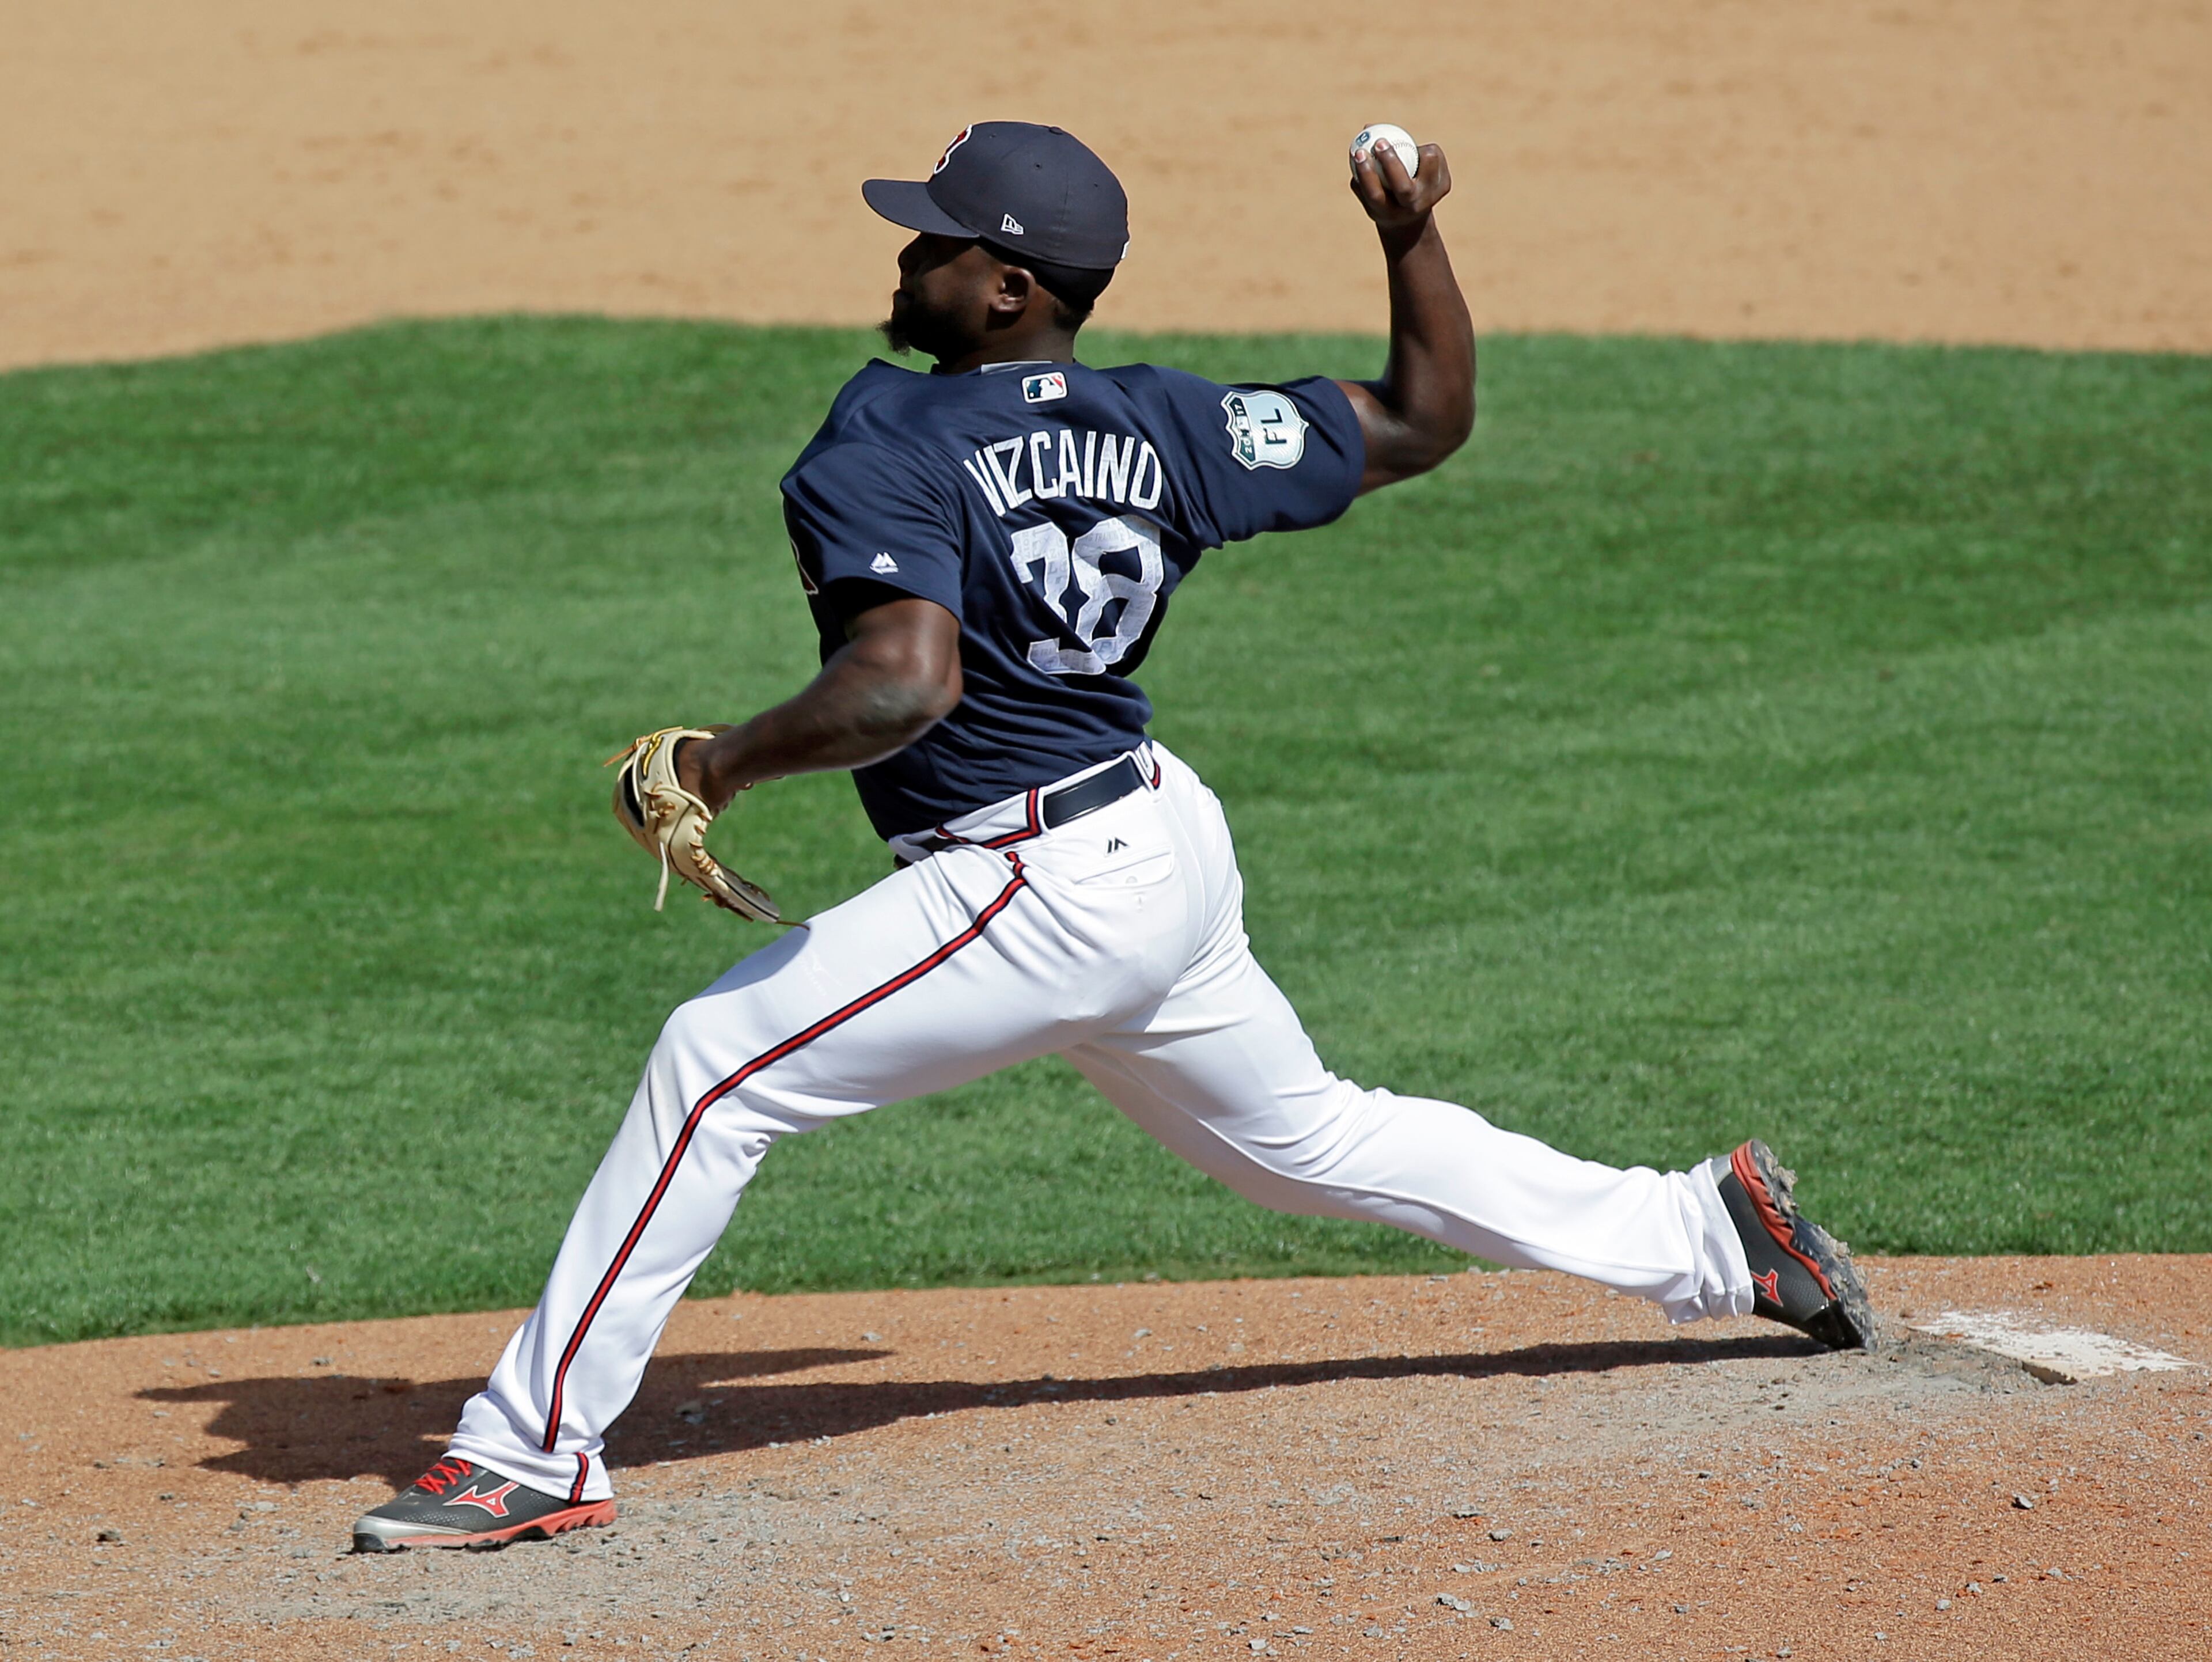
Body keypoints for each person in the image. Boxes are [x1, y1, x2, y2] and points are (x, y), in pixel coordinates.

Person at [352, 121, 1873, 1553]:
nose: (904, 262)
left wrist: (720, 761)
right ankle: (1712, 1233)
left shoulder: (888, 428)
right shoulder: (1167, 421)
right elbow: (1426, 417)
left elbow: (904, 679)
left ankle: (533, 1451)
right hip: (1153, 843)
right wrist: (1413, 238)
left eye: (934, 243)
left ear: (1007, 287)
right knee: (1307, 1140)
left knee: (711, 1068)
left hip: (1036, 884)